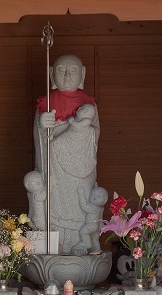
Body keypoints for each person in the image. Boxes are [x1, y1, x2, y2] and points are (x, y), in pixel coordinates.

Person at [25, 53, 106, 253]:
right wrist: (42, 125)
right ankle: (53, 245)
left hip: (81, 170)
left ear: (83, 74)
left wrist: (81, 130)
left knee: (82, 203)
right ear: (51, 75)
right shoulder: (45, 103)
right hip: (53, 168)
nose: (68, 76)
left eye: (74, 71)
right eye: (61, 70)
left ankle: (82, 243)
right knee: (51, 199)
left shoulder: (89, 104)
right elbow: (38, 136)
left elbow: (95, 134)